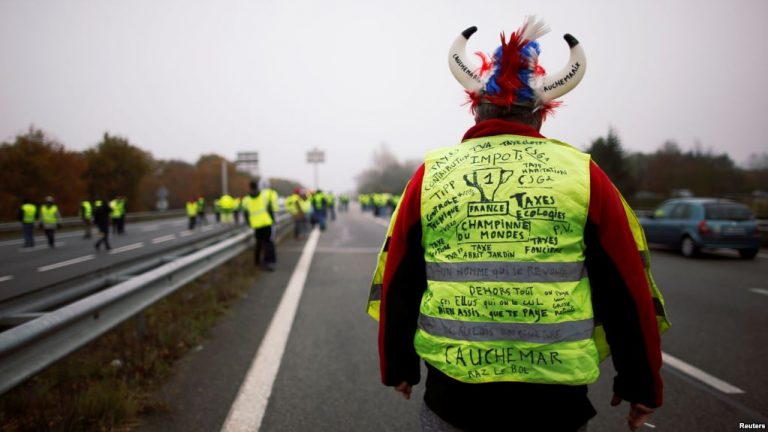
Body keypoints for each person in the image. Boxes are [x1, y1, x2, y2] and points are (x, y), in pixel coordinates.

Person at [367, 18, 670, 432]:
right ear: (542, 116)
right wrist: (641, 385)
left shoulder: (432, 174)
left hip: (454, 400)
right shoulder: (584, 175)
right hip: (556, 407)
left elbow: (400, 278)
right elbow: (625, 288)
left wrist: (398, 366)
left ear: (476, 109)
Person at [246, 179, 279, 271]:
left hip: (256, 224)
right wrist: (275, 219)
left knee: (259, 243)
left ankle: (257, 262)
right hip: (266, 222)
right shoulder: (269, 194)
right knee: (269, 243)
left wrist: (250, 223)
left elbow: (246, 212)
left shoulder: (248, 198)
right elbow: (273, 208)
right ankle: (270, 262)